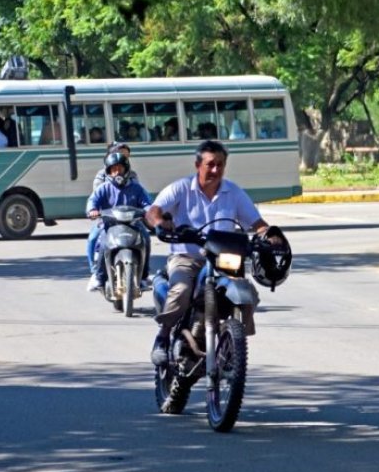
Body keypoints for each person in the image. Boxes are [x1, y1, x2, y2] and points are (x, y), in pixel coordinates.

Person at [145, 140, 280, 367]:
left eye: (220, 165)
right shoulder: (181, 188)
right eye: (210, 165)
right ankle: (164, 336)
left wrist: (269, 236)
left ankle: (233, 344)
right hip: (187, 257)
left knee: (247, 294)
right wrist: (159, 223)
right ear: (198, 165)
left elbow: (256, 222)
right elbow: (154, 211)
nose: (215, 170)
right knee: (182, 289)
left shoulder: (233, 192)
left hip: (222, 258)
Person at [85, 152, 153, 292]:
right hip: (110, 226)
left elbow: (147, 203)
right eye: (113, 169)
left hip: (133, 225)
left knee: (145, 240)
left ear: (126, 169)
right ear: (108, 171)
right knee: (103, 244)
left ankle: (143, 277)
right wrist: (92, 210)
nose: (117, 172)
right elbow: (93, 201)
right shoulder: (104, 188)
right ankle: (99, 276)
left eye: (120, 168)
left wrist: (148, 210)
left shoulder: (136, 188)